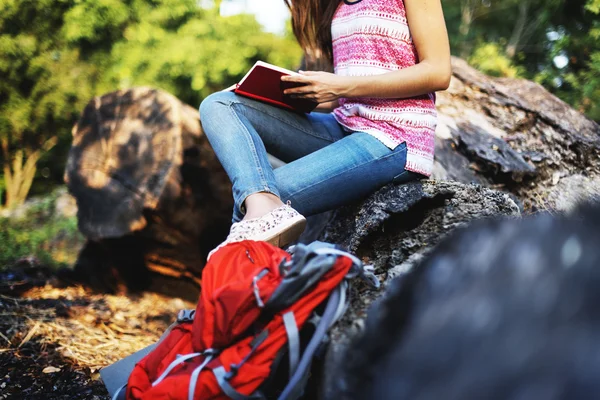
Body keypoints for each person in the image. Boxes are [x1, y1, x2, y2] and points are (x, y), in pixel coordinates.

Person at [199, 0, 451, 259]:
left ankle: (235, 287)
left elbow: (439, 71)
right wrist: (303, 92)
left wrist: (340, 86)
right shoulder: (338, 4)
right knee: (219, 104)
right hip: (342, 125)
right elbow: (344, 90)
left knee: (265, 198)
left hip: (394, 138)